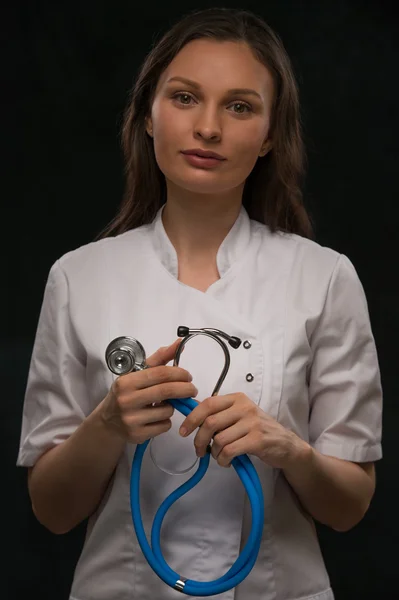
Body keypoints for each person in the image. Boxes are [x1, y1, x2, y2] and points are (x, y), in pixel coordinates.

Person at [16, 7, 383, 600]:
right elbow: (52, 511)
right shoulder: (78, 278)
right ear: (146, 116)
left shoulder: (324, 277)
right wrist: (109, 424)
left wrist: (288, 448)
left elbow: (348, 507)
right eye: (185, 98)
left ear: (268, 136)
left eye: (239, 106)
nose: (208, 127)